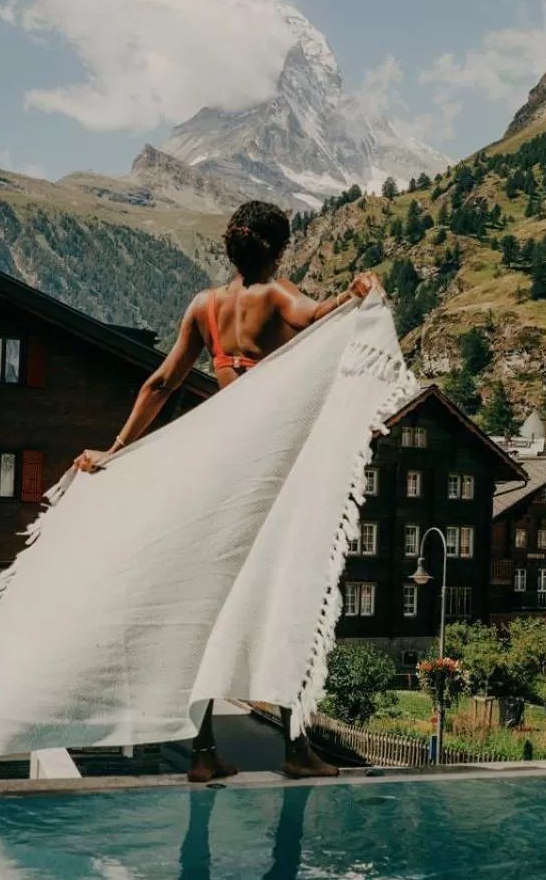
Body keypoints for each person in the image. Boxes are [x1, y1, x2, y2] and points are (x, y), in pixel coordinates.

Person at [75, 198, 380, 783]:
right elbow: (318, 317)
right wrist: (356, 292)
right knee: (289, 603)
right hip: (272, 471)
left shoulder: (205, 307)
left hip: (222, 470)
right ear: (279, 248)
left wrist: (116, 450)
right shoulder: (274, 295)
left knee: (207, 611)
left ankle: (202, 753)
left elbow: (163, 381)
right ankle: (294, 749)